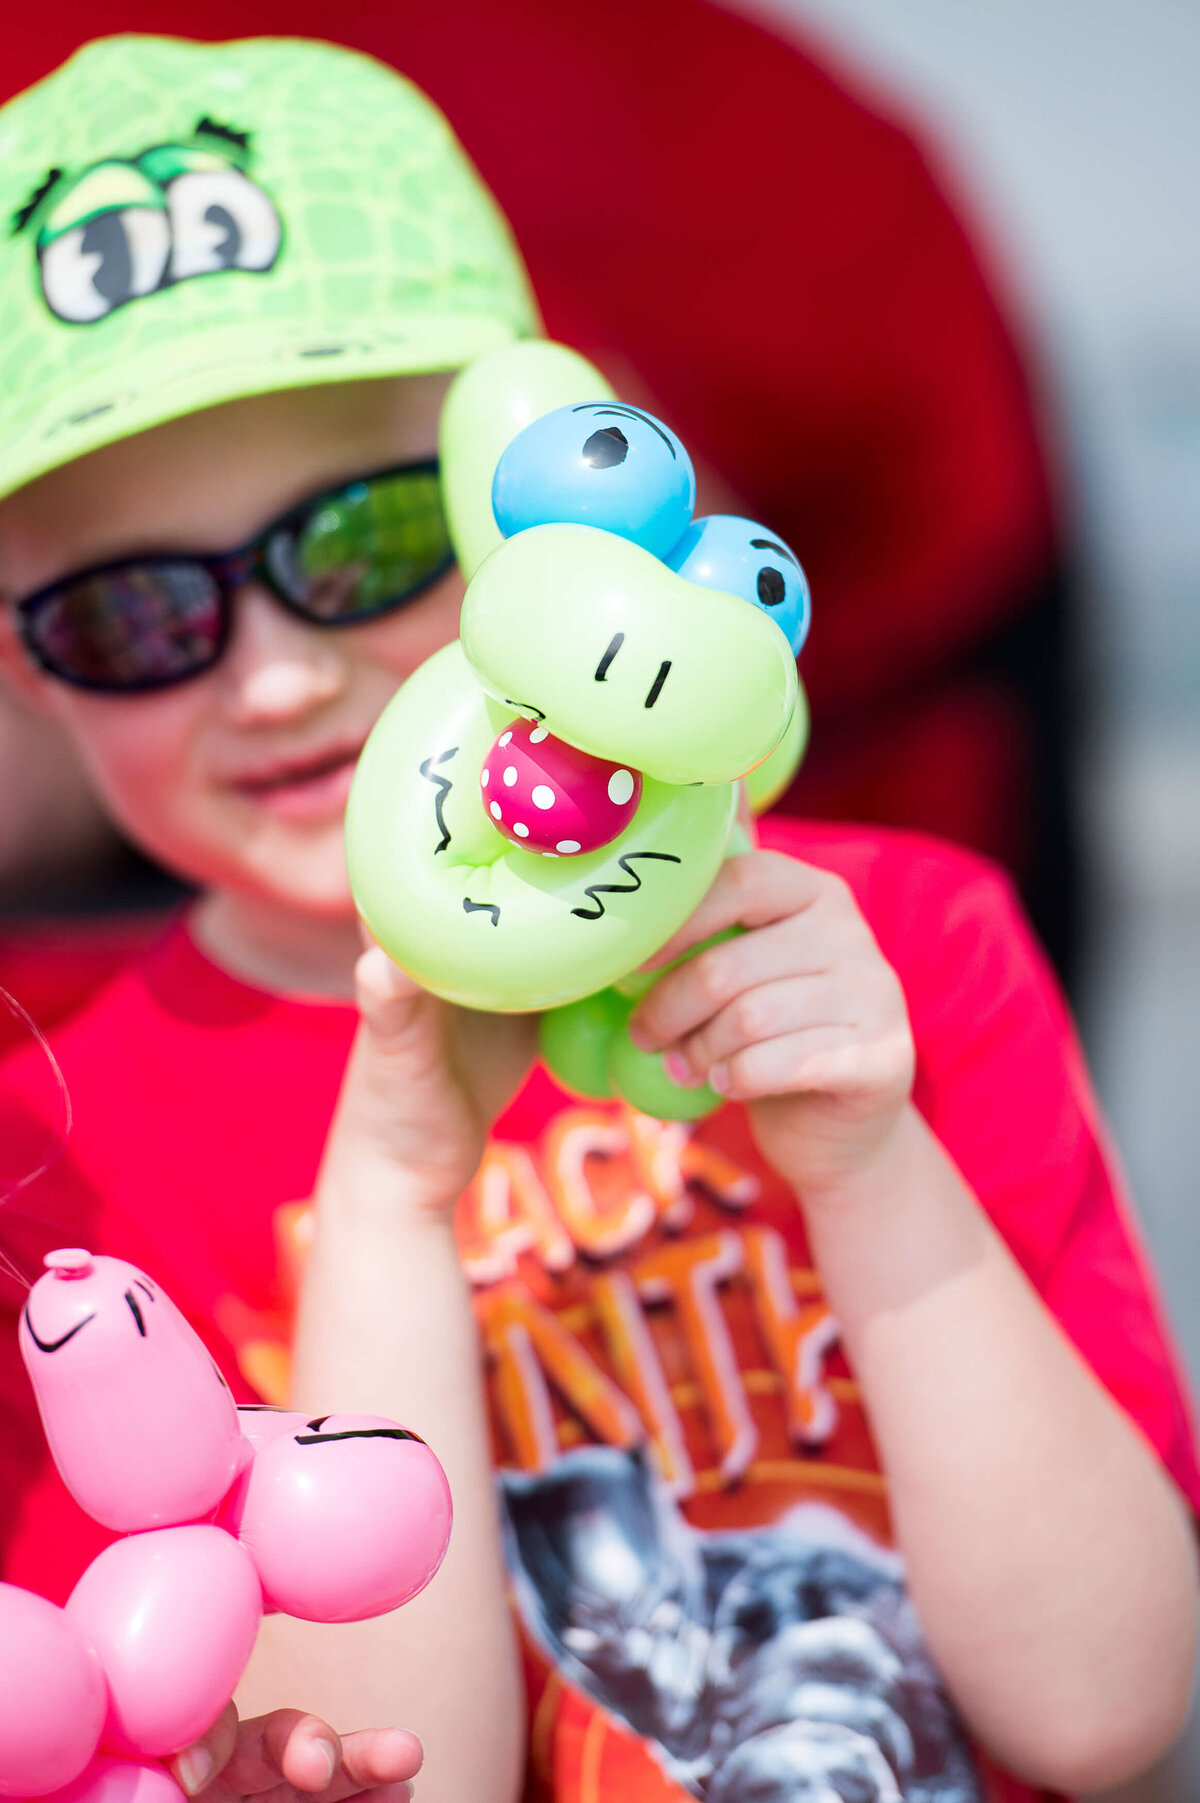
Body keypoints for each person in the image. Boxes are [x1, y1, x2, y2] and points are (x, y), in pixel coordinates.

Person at [0, 32, 1195, 1803]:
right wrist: (396, 1198)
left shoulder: (897, 946)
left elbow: (1109, 1713)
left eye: (368, 538)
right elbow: (401, 1782)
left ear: (560, 479)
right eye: (128, 617)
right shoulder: (57, 1140)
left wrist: (868, 1162)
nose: (269, 678)